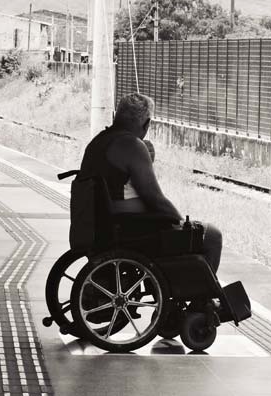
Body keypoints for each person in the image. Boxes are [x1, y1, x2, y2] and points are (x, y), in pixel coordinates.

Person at [76, 92, 223, 273]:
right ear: (147, 124)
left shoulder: (98, 141)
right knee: (212, 236)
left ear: (116, 116)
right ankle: (202, 298)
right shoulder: (133, 145)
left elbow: (121, 182)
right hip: (128, 230)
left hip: (97, 225)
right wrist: (182, 223)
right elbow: (155, 199)